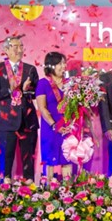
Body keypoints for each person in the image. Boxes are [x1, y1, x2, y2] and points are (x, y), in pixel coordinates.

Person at [0, 36, 39, 181]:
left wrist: (26, 90)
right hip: (6, 120)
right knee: (6, 156)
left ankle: (30, 184)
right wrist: (10, 91)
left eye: (21, 46)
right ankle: (5, 184)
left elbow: (36, 94)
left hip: (27, 120)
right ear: (6, 49)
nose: (19, 50)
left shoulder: (30, 69)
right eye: (15, 46)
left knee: (28, 156)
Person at [35, 52, 71, 182]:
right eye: (60, 63)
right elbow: (42, 108)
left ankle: (68, 189)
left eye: (64, 63)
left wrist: (72, 125)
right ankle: (48, 190)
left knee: (67, 158)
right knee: (50, 160)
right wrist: (54, 125)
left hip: (67, 127)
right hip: (51, 127)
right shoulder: (43, 83)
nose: (64, 66)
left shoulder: (70, 83)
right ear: (51, 66)